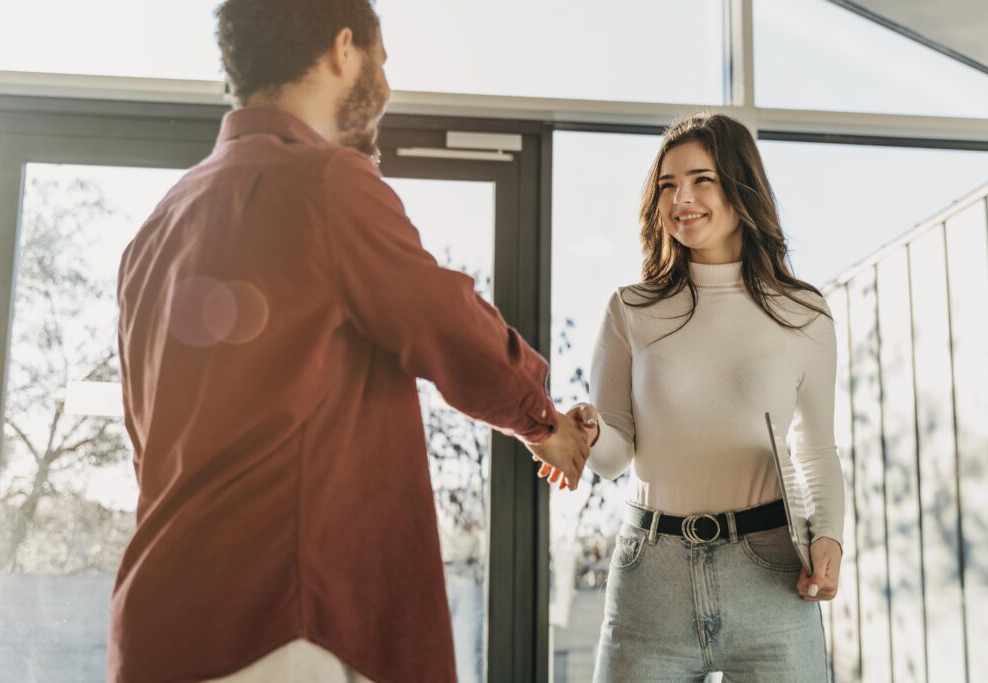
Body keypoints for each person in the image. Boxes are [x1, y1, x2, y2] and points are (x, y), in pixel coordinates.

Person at [108, 1, 589, 681]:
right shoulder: (326, 181)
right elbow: (444, 320)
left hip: (158, 623)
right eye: (382, 59)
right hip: (280, 621)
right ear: (343, 50)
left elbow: (147, 443)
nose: (385, 83)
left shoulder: (157, 228)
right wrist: (542, 421)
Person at [548, 113, 846, 682]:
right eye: (666, 185)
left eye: (701, 179)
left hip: (771, 571)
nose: (680, 196)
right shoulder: (630, 309)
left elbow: (816, 451)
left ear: (741, 187)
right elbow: (614, 456)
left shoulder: (803, 312)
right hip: (649, 577)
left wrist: (829, 535)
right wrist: (585, 432)